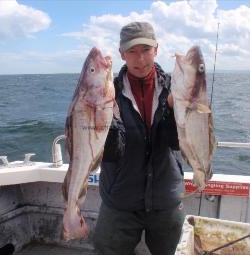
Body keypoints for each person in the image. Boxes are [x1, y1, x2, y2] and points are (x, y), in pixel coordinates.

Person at [93, 21, 185, 255]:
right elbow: (110, 153)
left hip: (166, 200)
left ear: (157, 49)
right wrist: (105, 114)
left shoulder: (177, 88)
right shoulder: (105, 92)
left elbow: (177, 143)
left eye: (145, 50)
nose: (140, 59)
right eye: (132, 51)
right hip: (119, 202)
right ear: (122, 54)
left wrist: (175, 110)